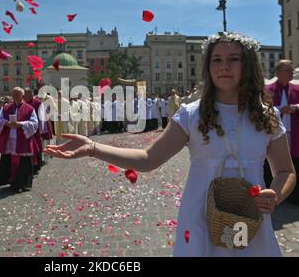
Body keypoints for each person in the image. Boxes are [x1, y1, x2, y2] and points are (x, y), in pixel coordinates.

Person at [44, 32, 296, 257]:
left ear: (248, 65)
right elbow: (148, 158)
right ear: (208, 67)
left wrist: (275, 195)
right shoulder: (191, 115)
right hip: (200, 220)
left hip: (250, 220)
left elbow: (285, 171)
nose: (224, 66)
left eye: (234, 59)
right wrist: (92, 148)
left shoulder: (266, 116)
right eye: (216, 60)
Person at [265, 59, 299, 204]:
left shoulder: (297, 89)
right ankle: (274, 194)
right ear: (278, 72)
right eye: (288, 70)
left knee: (295, 164)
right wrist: (280, 109)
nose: (291, 72)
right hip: (274, 135)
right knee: (273, 165)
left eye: (291, 70)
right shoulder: (268, 90)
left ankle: (295, 196)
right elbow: (263, 110)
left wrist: (296, 108)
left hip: (295, 132)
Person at [0, 87, 38, 192]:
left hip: (22, 139)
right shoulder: (6, 108)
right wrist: (6, 123)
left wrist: (21, 124)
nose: (15, 97)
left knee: (23, 163)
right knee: (9, 161)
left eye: (18, 94)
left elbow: (35, 124)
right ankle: (11, 181)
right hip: (9, 139)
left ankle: (23, 184)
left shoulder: (29, 108)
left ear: (23, 96)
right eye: (14, 95)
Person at [23, 87, 47, 176]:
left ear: (32, 94)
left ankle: (37, 167)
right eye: (25, 94)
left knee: (37, 147)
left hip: (36, 130)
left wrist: (42, 130)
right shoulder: (23, 103)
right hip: (26, 129)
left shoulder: (38, 103)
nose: (25, 96)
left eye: (27, 94)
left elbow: (42, 117)